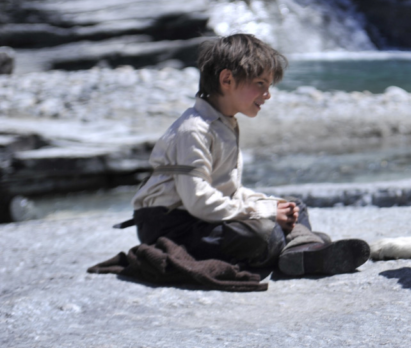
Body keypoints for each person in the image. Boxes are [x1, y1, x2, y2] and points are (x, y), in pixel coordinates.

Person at [129, 33, 369, 276]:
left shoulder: (223, 124)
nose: (267, 94)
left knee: (293, 206)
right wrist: (265, 212)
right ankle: (303, 248)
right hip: (172, 226)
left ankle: (301, 250)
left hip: (201, 218)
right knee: (264, 232)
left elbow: (228, 191)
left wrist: (271, 205)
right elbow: (199, 202)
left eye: (269, 86)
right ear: (226, 79)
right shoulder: (194, 130)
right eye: (260, 84)